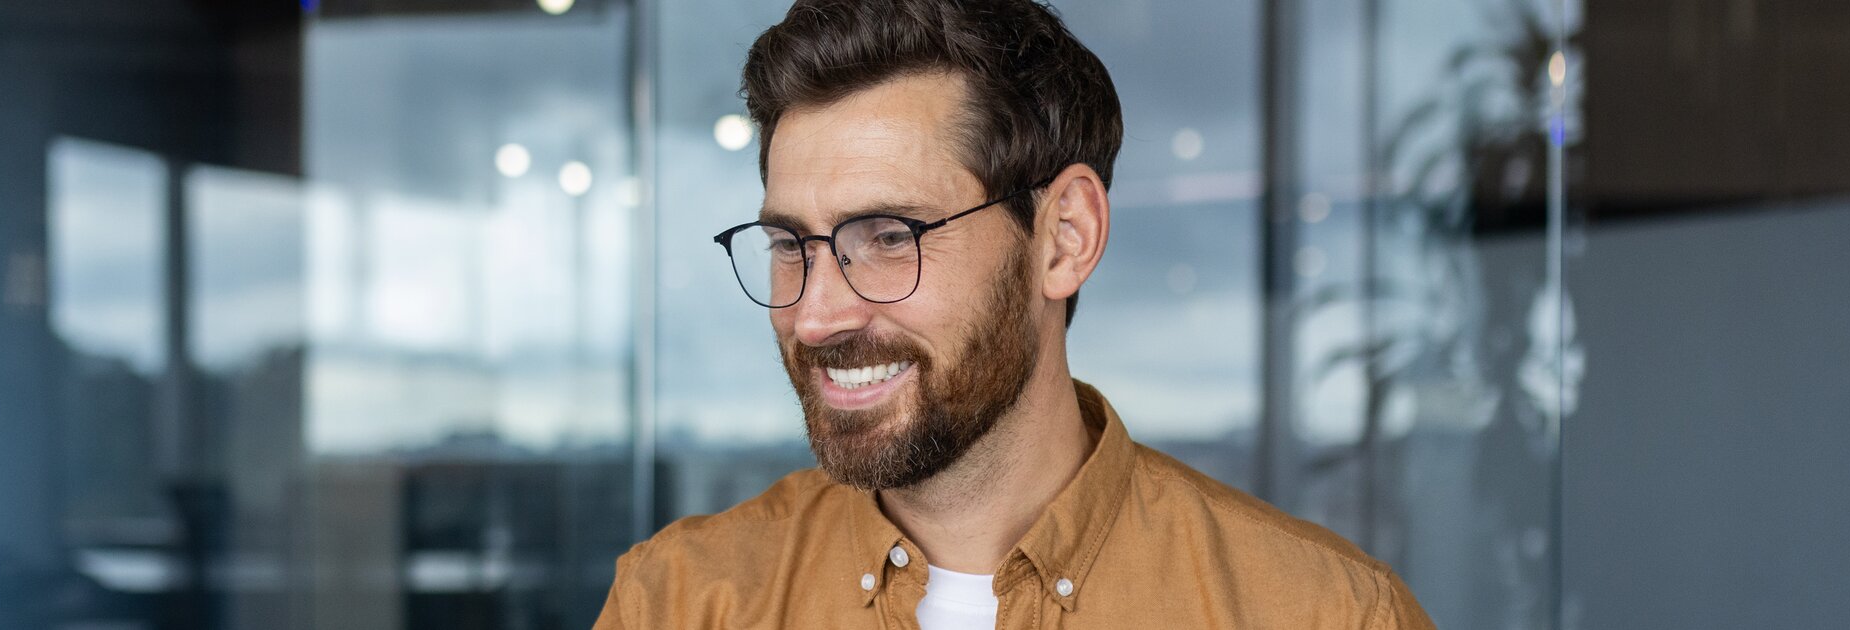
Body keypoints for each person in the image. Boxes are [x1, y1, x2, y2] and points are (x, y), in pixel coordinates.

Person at [595, 1, 1435, 628]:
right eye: (790, 244)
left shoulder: (1320, 612)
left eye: (888, 236)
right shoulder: (677, 601)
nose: (815, 316)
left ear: (1064, 239)